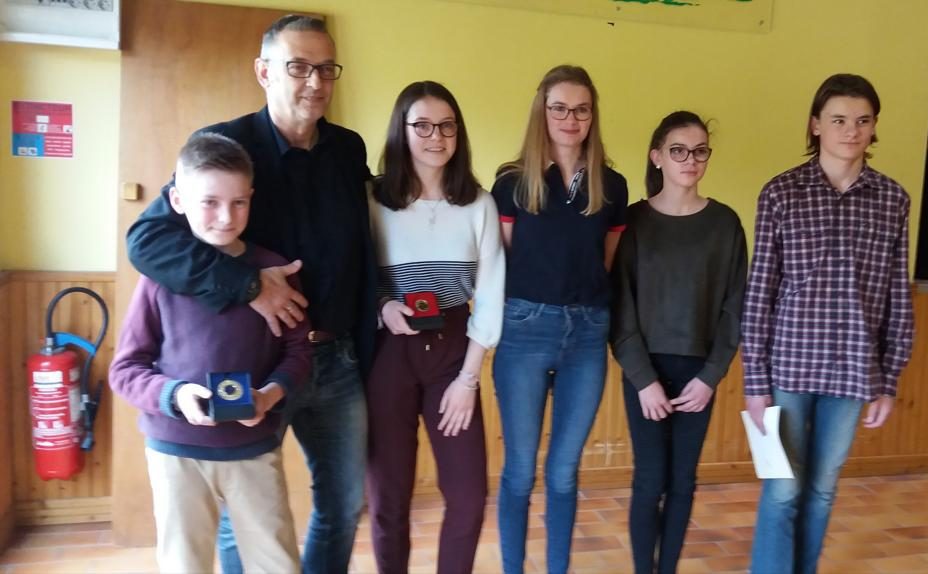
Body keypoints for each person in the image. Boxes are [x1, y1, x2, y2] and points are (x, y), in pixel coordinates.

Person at [125, 15, 376, 573]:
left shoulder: (348, 148)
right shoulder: (225, 145)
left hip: (336, 360)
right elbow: (147, 240)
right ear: (264, 72)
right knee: (242, 516)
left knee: (343, 506)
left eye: (326, 69)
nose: (315, 82)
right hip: (256, 365)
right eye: (298, 67)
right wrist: (250, 285)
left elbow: (362, 243)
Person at [109, 133, 309, 573]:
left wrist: (271, 395)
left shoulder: (274, 271)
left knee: (277, 563)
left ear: (252, 198)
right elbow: (125, 369)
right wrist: (175, 395)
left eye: (239, 203)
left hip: (254, 449)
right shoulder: (159, 277)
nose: (225, 217)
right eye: (210, 202)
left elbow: (298, 354)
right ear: (177, 201)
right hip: (175, 451)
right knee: (185, 564)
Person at [742, 73, 915, 574]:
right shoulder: (780, 193)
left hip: (855, 372)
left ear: (874, 127)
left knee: (821, 489)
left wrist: (889, 380)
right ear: (816, 125)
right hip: (787, 370)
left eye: (862, 120)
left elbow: (897, 294)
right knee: (782, 489)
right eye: (838, 120)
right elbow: (759, 293)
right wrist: (754, 383)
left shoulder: (893, 200)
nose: (851, 130)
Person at [490, 64, 628, 574]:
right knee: (520, 472)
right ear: (542, 112)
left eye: (581, 110)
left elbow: (605, 261)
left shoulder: (612, 185)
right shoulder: (511, 182)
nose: (571, 119)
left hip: (587, 335)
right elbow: (504, 263)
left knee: (565, 473)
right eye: (559, 108)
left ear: (593, 116)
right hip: (524, 330)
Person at [365, 80, 504, 574]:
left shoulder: (479, 204)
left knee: (468, 495)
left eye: (447, 126)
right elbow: (357, 277)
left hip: (453, 353)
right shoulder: (372, 199)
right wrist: (383, 306)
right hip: (388, 353)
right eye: (422, 125)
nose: (436, 137)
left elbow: (490, 295)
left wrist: (468, 379)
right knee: (388, 495)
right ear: (401, 131)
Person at [610, 111, 747, 574]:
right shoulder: (633, 221)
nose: (691, 159)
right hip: (644, 371)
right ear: (658, 157)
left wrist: (711, 377)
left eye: (700, 151)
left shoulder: (725, 224)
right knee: (650, 480)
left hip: (698, 377)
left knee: (683, 482)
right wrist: (642, 379)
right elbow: (620, 306)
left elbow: (735, 308)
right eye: (679, 151)